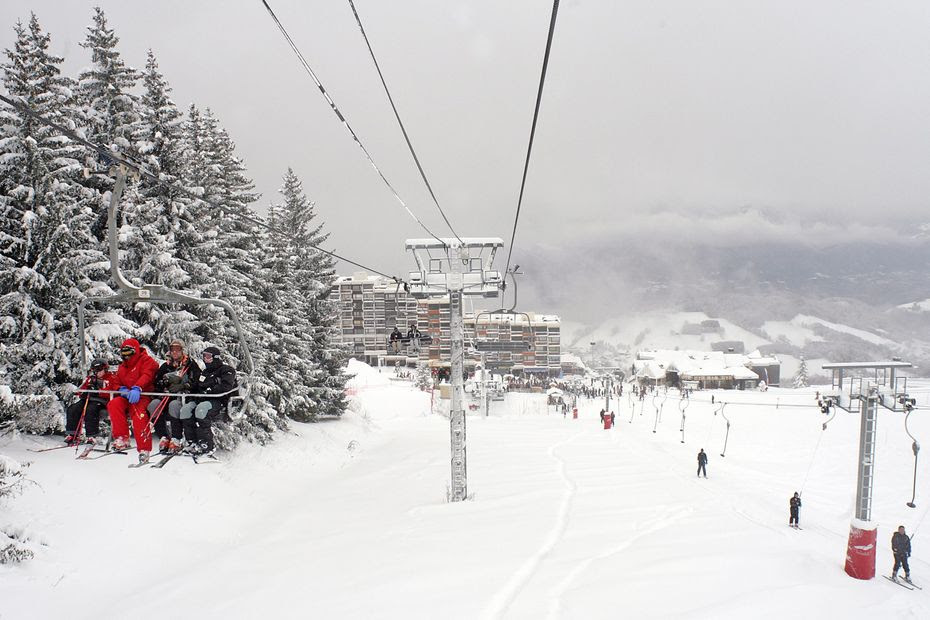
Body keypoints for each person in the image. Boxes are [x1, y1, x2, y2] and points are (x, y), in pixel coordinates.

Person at [107, 338, 160, 464]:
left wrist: (138, 387)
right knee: (113, 404)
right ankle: (122, 437)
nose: (126, 357)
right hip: (128, 396)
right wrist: (121, 389)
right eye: (124, 353)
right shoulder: (123, 366)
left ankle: (144, 449)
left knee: (138, 415)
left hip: (142, 396)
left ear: (135, 351)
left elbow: (147, 374)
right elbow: (115, 381)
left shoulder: (146, 361)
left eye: (129, 353)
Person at [178, 346, 237, 456]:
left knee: (201, 410)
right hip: (202, 398)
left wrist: (210, 390)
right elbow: (198, 385)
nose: (206, 359)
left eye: (208, 356)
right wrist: (188, 387)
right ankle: (191, 441)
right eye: (204, 356)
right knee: (185, 410)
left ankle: (206, 445)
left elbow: (226, 386)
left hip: (217, 400)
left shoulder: (226, 370)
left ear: (215, 357)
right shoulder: (205, 372)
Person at [148, 338, 201, 454]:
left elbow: (196, 381)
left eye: (178, 349)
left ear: (183, 351)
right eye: (172, 350)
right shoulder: (166, 365)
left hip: (183, 397)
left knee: (174, 405)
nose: (175, 352)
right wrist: (163, 384)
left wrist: (183, 386)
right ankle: (163, 436)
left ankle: (176, 438)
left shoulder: (190, 364)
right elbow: (157, 381)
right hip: (167, 396)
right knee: (153, 405)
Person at [65, 359, 117, 445]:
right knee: (73, 408)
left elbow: (112, 390)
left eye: (99, 370)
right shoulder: (91, 378)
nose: (97, 372)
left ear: (105, 369)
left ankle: (92, 436)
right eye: (95, 370)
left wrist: (98, 392)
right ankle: (73, 433)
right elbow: (82, 388)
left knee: (91, 410)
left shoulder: (111, 378)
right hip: (88, 399)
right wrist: (83, 392)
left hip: (102, 401)